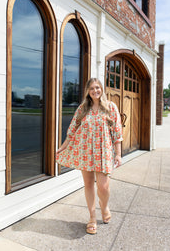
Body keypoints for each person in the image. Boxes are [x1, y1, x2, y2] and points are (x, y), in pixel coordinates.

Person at [56, 78, 123, 235]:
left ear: (102, 89)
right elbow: (72, 130)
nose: (95, 91)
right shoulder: (83, 109)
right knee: (88, 185)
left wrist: (118, 154)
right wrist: (62, 147)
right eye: (92, 88)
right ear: (88, 91)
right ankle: (92, 218)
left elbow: (117, 132)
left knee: (104, 187)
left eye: (97, 87)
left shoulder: (110, 108)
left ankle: (104, 206)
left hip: (104, 152)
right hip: (85, 151)